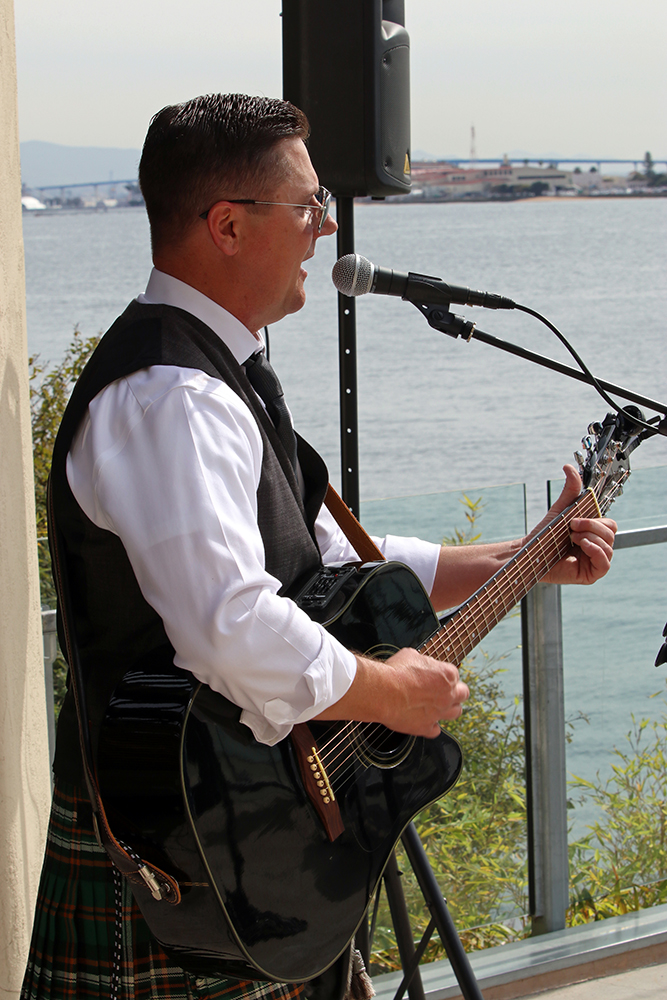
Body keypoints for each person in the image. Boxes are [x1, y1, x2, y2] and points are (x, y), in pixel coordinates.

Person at [21, 93, 617, 1000]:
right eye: (307, 205)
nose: (327, 228)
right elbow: (231, 627)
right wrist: (391, 692)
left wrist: (523, 556)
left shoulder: (221, 374)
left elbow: (320, 565)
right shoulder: (172, 399)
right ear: (227, 225)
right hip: (184, 847)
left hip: (248, 841)